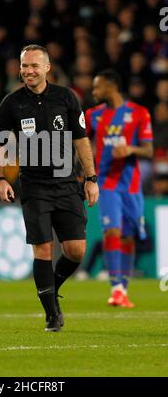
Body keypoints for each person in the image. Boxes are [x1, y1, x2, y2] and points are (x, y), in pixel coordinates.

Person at [0, 44, 99, 332]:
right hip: (34, 186)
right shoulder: (11, 103)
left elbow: (81, 140)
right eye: (24, 66)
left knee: (76, 250)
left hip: (66, 183)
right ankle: (52, 314)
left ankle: (51, 287)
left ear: (47, 68)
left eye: (34, 65)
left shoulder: (66, 98)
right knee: (42, 249)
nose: (28, 71)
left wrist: (91, 178)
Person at [85, 69, 153, 307]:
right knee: (112, 231)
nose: (94, 92)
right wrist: (84, 171)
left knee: (128, 236)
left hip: (131, 184)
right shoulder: (93, 115)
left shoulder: (139, 113)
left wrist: (131, 150)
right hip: (107, 182)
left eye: (97, 87)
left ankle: (123, 289)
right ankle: (115, 288)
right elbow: (80, 142)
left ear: (111, 86)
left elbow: (149, 150)